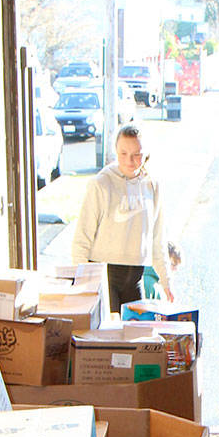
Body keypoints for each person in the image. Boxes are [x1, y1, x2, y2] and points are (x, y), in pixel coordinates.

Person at [72, 125, 174, 313]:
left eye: (137, 154)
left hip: (136, 277)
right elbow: (82, 238)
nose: (130, 160)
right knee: (108, 337)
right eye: (123, 153)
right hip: (104, 274)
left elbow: (158, 238)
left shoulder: (152, 185)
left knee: (135, 334)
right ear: (115, 151)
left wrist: (166, 280)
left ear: (145, 154)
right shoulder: (101, 183)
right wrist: (82, 284)